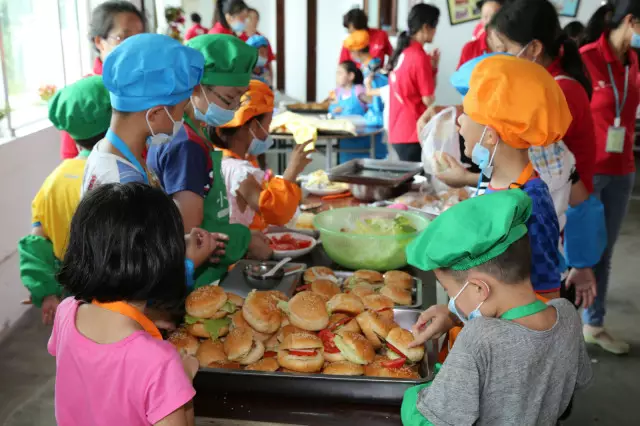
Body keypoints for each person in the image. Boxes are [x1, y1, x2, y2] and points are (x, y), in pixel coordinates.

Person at [401, 190, 592, 425]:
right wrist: (453, 318)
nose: (452, 303)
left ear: (480, 289)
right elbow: (578, 379)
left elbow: (430, 421)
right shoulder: (566, 313)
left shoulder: (479, 337)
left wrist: (413, 394)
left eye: (449, 292)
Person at [485, 0, 605, 306]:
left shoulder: (553, 94)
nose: (498, 59)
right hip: (563, 218)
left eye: (504, 49)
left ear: (533, 48)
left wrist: (582, 260)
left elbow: (525, 164)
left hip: (560, 235)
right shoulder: (547, 87)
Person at [50, 183, 199, 426]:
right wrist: (182, 383)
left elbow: (97, 374)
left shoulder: (66, 312)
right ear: (166, 258)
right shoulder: (160, 362)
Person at [147, 34, 273, 288]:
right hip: (193, 280)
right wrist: (244, 240)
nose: (235, 108)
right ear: (195, 87)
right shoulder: (187, 146)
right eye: (228, 99)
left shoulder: (193, 133)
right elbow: (192, 237)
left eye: (240, 98)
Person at [19, 76, 111, 326]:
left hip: (72, 294)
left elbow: (36, 241)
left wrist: (46, 291)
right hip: (119, 295)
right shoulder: (120, 174)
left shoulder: (53, 181)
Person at [579, 0, 640, 354]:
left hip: (623, 170)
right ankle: (559, 326)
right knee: (578, 253)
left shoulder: (633, 62)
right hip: (589, 171)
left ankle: (594, 324)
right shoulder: (586, 58)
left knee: (605, 253)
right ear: (630, 21)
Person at [81, 33, 203, 193]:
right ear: (155, 114)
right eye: (183, 109)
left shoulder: (105, 151)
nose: (182, 118)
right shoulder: (126, 189)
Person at [212, 80, 310, 229]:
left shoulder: (219, 157)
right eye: (268, 124)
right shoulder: (240, 172)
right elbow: (275, 212)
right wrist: (292, 171)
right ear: (253, 126)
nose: (268, 132)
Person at [60, 0, 145, 160]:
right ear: (99, 41)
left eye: (139, 38)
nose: (134, 46)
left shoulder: (146, 83)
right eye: (124, 37)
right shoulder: (85, 94)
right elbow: (71, 156)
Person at [387, 3, 440, 162]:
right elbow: (428, 98)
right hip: (413, 131)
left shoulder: (403, 53)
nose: (435, 31)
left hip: (398, 131)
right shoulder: (419, 56)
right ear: (425, 27)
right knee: (418, 185)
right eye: (434, 26)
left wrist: (432, 69)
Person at [327, 60, 385, 163]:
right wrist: (334, 109)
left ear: (351, 76)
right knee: (345, 165)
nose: (337, 76)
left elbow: (373, 103)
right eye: (337, 73)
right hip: (344, 136)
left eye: (340, 73)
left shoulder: (359, 90)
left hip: (361, 136)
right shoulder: (337, 91)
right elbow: (331, 106)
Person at [245, 8, 276, 72]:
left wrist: (270, 80)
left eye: (255, 18)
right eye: (250, 18)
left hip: (262, 76)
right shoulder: (238, 38)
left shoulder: (264, 40)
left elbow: (269, 63)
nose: (253, 21)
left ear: (258, 20)